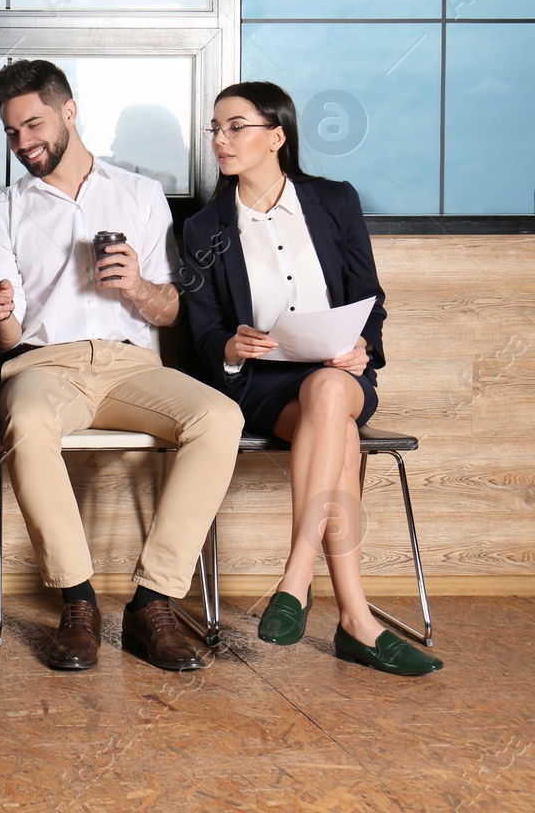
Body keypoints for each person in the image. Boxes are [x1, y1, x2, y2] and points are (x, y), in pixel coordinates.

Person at [0, 59, 242, 673]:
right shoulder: (3, 212)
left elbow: (172, 309)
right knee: (26, 422)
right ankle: (78, 601)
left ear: (69, 112)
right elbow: (8, 334)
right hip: (44, 364)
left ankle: (153, 603)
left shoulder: (141, 194)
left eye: (34, 125)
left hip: (129, 365)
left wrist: (138, 289)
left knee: (219, 416)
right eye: (12, 133)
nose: (24, 143)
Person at [182, 82, 442, 676]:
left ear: (277, 136)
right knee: (340, 437)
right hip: (265, 384)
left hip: (338, 371)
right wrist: (230, 344)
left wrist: (363, 344)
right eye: (215, 129)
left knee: (329, 392)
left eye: (235, 127)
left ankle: (296, 573)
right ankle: (355, 619)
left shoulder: (333, 201)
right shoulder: (203, 229)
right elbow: (201, 334)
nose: (220, 140)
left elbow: (369, 295)